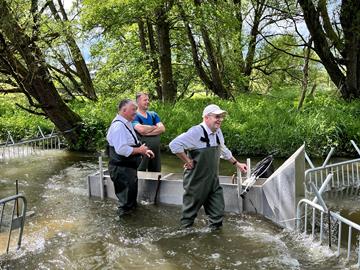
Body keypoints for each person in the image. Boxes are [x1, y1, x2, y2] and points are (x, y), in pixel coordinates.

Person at [169, 104, 247, 229]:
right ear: (206, 117)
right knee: (187, 220)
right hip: (196, 182)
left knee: (217, 216)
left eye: (221, 117)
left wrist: (236, 163)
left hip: (213, 182)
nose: (220, 119)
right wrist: (187, 160)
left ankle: (213, 241)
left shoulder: (217, 131)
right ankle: (183, 240)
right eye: (217, 116)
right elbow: (174, 145)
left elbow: (223, 149)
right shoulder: (195, 132)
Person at [107, 99, 154, 216]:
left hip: (128, 170)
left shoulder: (126, 123)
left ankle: (132, 223)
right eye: (133, 109)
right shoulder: (118, 126)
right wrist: (140, 150)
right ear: (124, 110)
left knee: (131, 201)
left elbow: (132, 142)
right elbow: (121, 149)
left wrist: (144, 151)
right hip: (122, 170)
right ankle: (124, 228)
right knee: (126, 205)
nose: (136, 112)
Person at [132, 92, 165, 172]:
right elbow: (141, 130)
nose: (147, 102)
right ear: (138, 102)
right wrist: (154, 127)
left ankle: (155, 184)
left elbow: (162, 129)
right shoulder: (134, 115)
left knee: (156, 173)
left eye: (148, 100)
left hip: (156, 151)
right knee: (140, 172)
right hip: (142, 150)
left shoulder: (153, 114)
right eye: (145, 100)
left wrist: (147, 132)